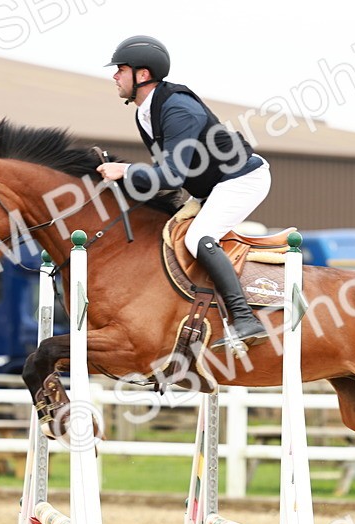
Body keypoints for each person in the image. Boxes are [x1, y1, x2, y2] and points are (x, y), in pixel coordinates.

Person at [97, 35, 270, 350]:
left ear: (143, 74)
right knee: (166, 235)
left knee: (197, 238)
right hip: (210, 187)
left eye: (120, 70)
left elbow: (172, 176)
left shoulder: (177, 108)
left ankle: (245, 319)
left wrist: (125, 171)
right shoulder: (144, 112)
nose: (115, 77)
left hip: (242, 179)